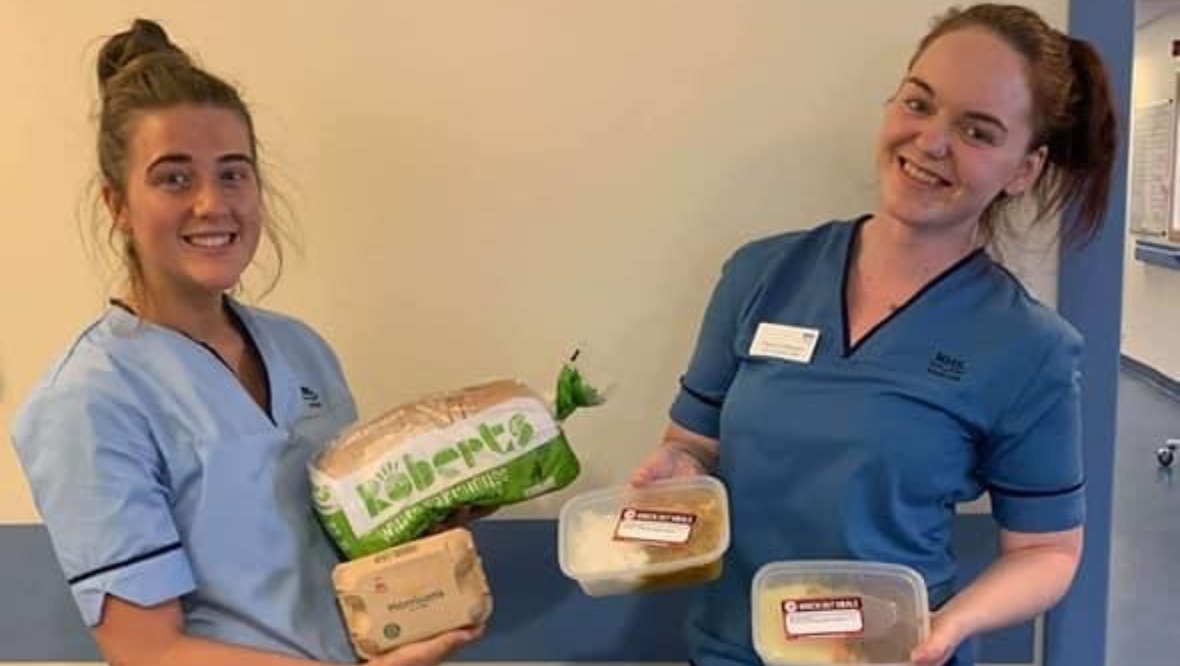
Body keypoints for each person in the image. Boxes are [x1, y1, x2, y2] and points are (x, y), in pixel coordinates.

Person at [630, 4, 1117, 666]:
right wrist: (675, 471)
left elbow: (1048, 552)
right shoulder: (761, 275)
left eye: (978, 130)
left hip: (893, 655)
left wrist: (948, 624)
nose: (932, 142)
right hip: (729, 651)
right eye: (920, 103)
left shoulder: (1030, 348)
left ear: (1023, 169)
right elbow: (694, 444)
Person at [11, 18, 483, 666]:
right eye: (174, 177)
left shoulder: (303, 352)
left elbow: (343, 565)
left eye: (233, 174)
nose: (213, 204)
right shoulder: (89, 400)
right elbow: (150, 651)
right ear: (117, 203)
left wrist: (427, 542)